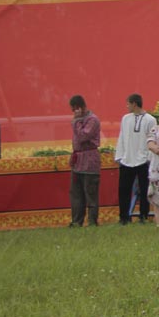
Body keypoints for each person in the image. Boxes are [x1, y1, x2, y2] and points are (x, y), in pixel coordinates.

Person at [114, 93, 155, 225]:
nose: (127, 106)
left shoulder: (150, 119)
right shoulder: (126, 119)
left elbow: (152, 139)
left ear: (134, 104)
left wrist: (149, 157)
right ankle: (124, 216)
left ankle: (143, 215)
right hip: (127, 159)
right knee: (124, 189)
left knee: (144, 190)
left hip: (143, 160)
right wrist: (120, 155)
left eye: (128, 104)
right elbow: (122, 137)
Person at [68, 95, 101, 228]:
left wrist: (76, 122)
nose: (74, 112)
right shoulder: (78, 120)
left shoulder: (92, 120)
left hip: (89, 160)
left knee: (90, 193)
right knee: (76, 193)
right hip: (78, 160)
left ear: (80, 107)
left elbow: (83, 136)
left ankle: (92, 222)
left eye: (75, 109)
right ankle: (76, 221)